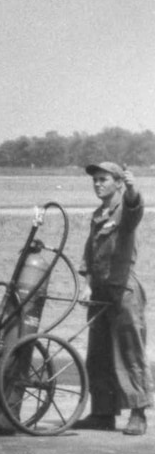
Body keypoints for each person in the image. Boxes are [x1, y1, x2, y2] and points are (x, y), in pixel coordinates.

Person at [74, 161, 147, 434]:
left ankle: (138, 414)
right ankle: (102, 413)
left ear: (118, 182)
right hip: (101, 292)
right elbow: (90, 256)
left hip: (123, 290)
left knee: (130, 353)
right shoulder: (98, 215)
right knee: (99, 354)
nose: (97, 183)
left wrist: (132, 189)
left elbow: (134, 208)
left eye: (104, 179)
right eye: (95, 180)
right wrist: (87, 285)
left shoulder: (123, 211)